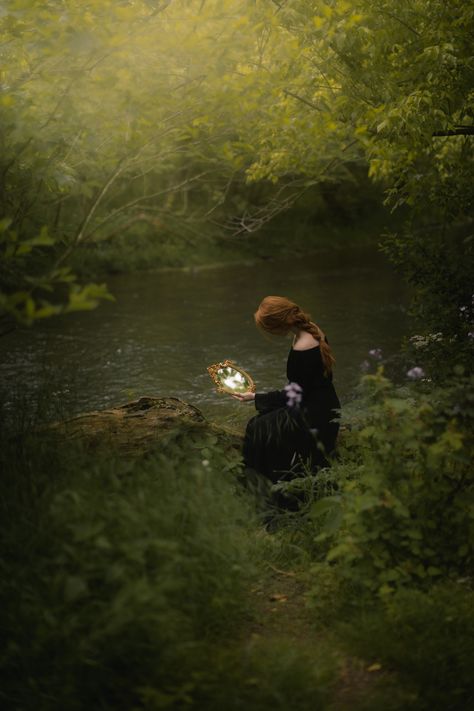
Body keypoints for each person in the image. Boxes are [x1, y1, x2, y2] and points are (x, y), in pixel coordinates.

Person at [233, 295, 341, 487]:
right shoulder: (311, 329)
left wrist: (254, 397)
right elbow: (303, 387)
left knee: (257, 427)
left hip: (314, 415)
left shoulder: (303, 346)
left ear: (279, 325)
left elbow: (294, 394)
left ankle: (265, 488)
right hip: (324, 404)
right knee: (264, 418)